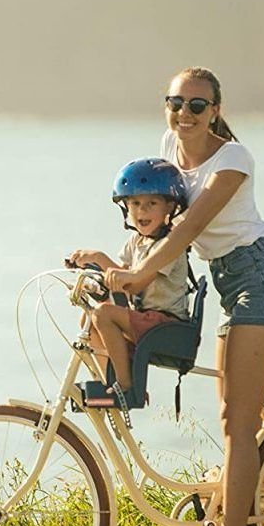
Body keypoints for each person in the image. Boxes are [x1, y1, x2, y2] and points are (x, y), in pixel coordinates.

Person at [104, 66, 264, 526]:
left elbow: (188, 227)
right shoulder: (170, 151)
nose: (185, 114)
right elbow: (154, 220)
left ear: (216, 110)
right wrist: (115, 264)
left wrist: (139, 276)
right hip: (228, 287)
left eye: (197, 105)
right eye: (176, 103)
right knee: (231, 421)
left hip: (263, 282)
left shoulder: (232, 158)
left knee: (239, 426)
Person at [68, 157, 191, 411]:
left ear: (169, 207)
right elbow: (120, 276)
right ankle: (107, 381)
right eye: (135, 203)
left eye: (151, 204)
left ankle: (126, 387)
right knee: (90, 318)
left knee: (103, 314)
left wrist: (100, 258)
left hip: (165, 323)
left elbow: (132, 284)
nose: (142, 211)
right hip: (144, 318)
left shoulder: (169, 246)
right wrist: (91, 277)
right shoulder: (136, 242)